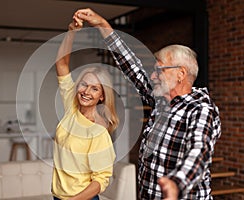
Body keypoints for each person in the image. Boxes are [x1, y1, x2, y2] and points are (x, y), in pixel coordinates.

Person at [73, 8, 221, 200]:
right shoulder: (161, 101)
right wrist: (103, 25)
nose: (153, 76)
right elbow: (132, 66)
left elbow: (199, 152)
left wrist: (177, 183)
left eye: (159, 71)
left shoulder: (201, 110)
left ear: (180, 74)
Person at [52, 17, 119, 200]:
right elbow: (61, 64)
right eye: (84, 84)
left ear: (102, 96)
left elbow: (101, 180)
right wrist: (71, 32)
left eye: (95, 88)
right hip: (58, 196)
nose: (86, 92)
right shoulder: (71, 107)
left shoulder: (98, 131)